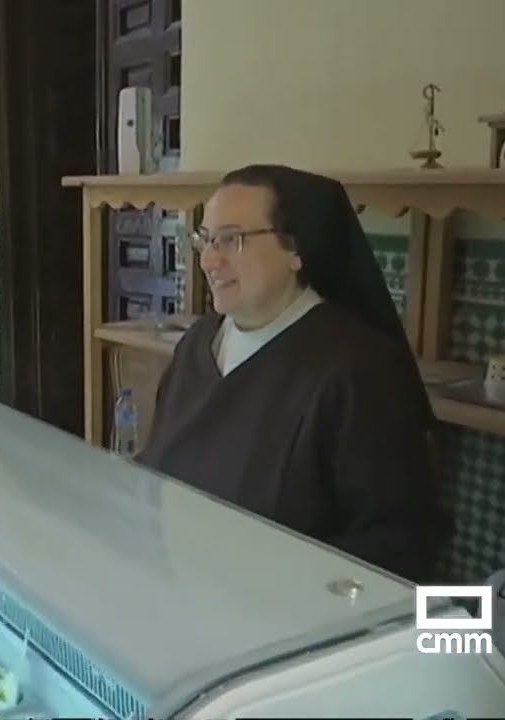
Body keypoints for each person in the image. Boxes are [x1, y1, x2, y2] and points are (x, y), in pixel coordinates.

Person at [137, 164, 451, 583]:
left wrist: (266, 579)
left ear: (295, 250)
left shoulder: (359, 368)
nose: (210, 259)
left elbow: (399, 542)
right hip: (172, 586)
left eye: (232, 239)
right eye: (205, 240)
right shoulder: (199, 341)